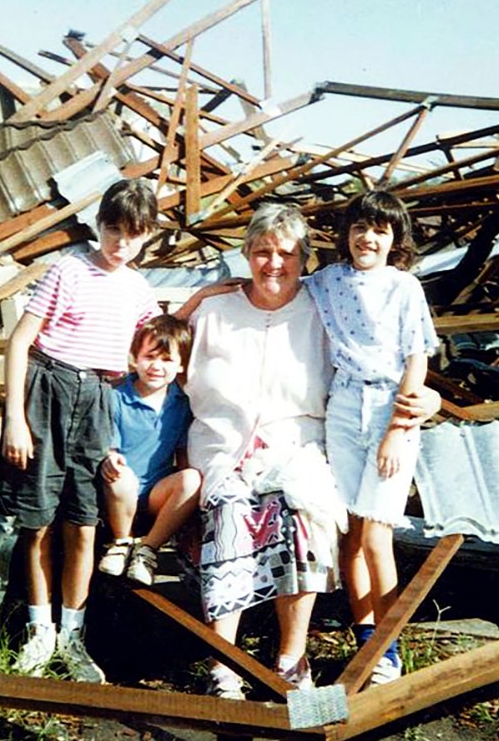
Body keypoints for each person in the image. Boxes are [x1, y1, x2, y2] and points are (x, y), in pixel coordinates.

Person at [182, 202, 439, 700]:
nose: (273, 264)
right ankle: (225, 668)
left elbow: (404, 356)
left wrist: (427, 399)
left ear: (304, 259)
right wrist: (201, 295)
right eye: (261, 252)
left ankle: (294, 661)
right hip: (225, 450)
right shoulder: (224, 309)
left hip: (303, 445)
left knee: (311, 521)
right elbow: (158, 350)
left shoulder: (320, 303)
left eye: (285, 254)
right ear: (245, 255)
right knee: (234, 515)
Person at [0, 178, 160, 682]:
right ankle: (39, 632)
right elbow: (19, 342)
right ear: (99, 227)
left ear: (147, 237)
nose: (120, 246)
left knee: (83, 523)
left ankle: (72, 634)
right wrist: (14, 419)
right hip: (48, 391)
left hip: (98, 400)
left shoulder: (138, 288)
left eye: (133, 237)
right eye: (113, 232)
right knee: (39, 522)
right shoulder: (68, 269)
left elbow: (162, 341)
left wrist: (211, 295)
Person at [306, 189, 439, 686]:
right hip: (343, 407)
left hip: (389, 406)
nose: (368, 238)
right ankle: (365, 636)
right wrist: (209, 291)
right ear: (346, 235)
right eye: (360, 227)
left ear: (394, 239)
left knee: (379, 534)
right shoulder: (328, 280)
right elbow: (273, 286)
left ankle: (391, 646)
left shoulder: (404, 287)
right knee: (352, 533)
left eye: (380, 230)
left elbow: (417, 360)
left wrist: (396, 431)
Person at [97, 314, 201, 586]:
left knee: (192, 478)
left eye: (167, 360)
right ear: (134, 358)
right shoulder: (116, 396)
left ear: (181, 365)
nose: (156, 366)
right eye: (149, 357)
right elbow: (110, 447)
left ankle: (147, 550)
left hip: (155, 493)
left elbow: (183, 457)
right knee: (122, 475)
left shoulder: (181, 403)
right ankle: (121, 543)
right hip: (117, 492)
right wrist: (109, 457)